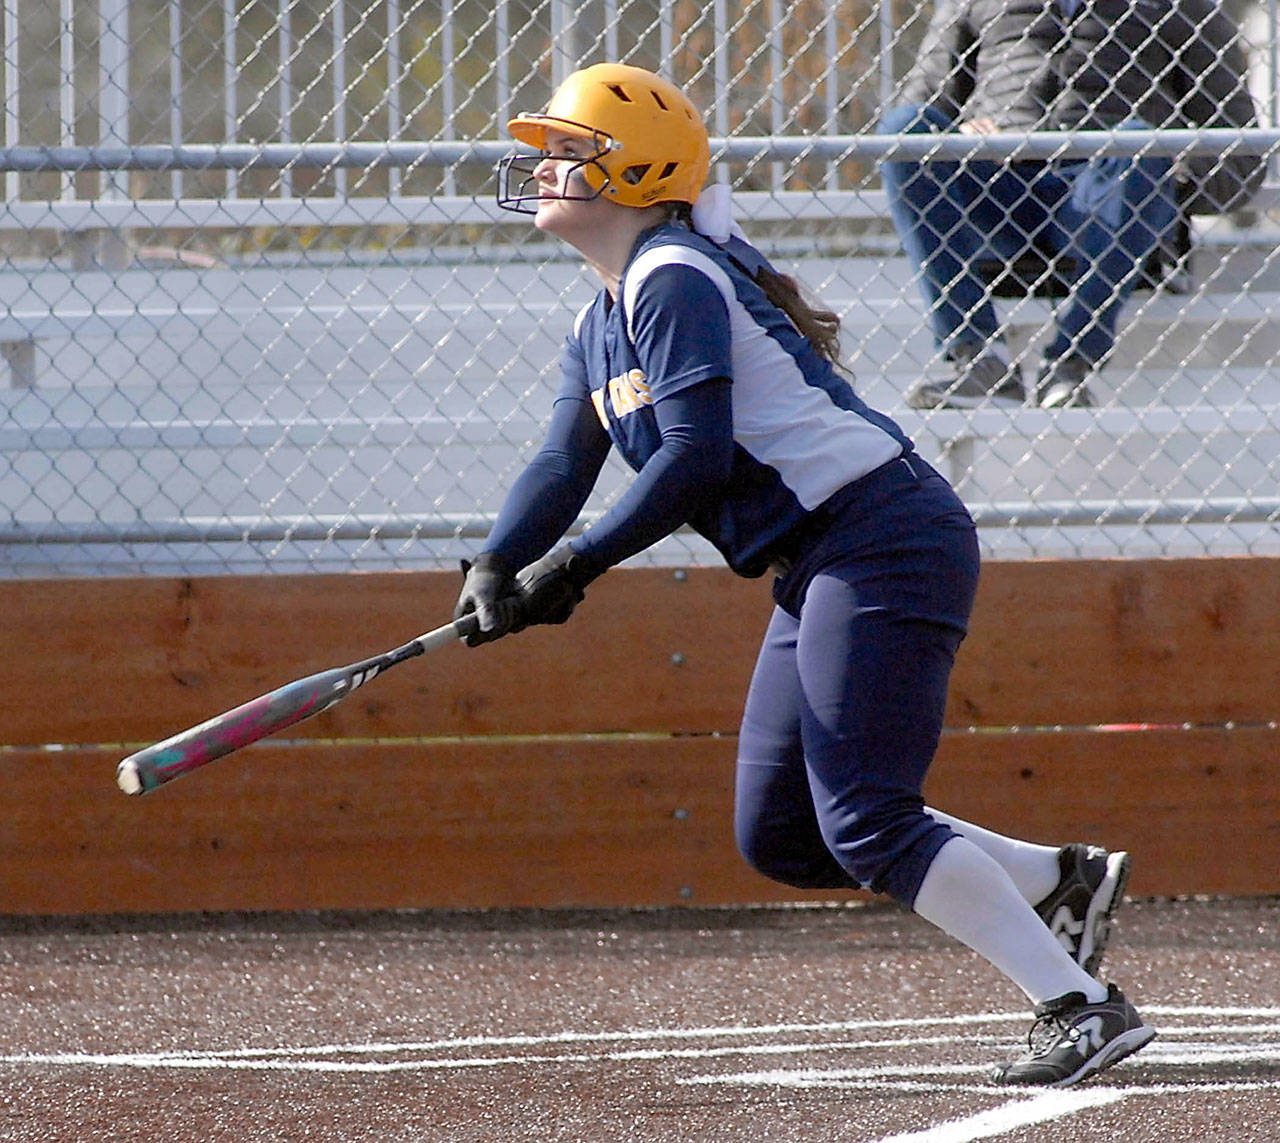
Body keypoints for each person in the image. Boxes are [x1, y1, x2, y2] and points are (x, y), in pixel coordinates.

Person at [459, 61, 1155, 1086]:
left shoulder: (672, 273)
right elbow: (564, 460)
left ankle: (1078, 1003)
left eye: (573, 150)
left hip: (880, 535)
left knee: (866, 815)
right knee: (781, 832)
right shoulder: (601, 314)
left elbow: (692, 456)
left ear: (641, 170)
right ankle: (1055, 881)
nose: (546, 168)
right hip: (825, 555)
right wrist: (498, 560)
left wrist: (579, 565)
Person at [877, 0, 1262, 409]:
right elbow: (916, 115)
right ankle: (978, 357)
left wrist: (1169, 173)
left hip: (1104, 196)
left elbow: (1242, 154)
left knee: (1140, 144)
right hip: (997, 187)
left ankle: (1069, 364)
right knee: (905, 130)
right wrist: (960, 136)